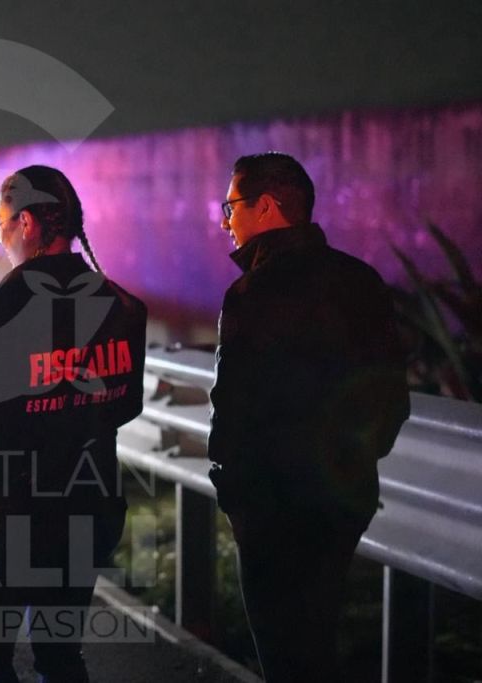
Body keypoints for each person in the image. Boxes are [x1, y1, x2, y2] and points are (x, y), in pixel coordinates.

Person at [0, 165, 147, 682]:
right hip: (87, 504)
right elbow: (124, 406)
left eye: (0, 224)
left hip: (5, 514)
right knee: (60, 656)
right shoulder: (122, 307)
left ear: (27, 224)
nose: (0, 236)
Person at [208, 152, 411, 682]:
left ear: (266, 206)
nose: (225, 222)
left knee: (283, 654)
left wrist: (234, 493)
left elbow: (234, 410)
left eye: (231, 207)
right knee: (317, 641)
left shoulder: (252, 293)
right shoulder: (362, 281)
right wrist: (352, 463)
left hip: (271, 508)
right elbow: (391, 396)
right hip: (342, 501)